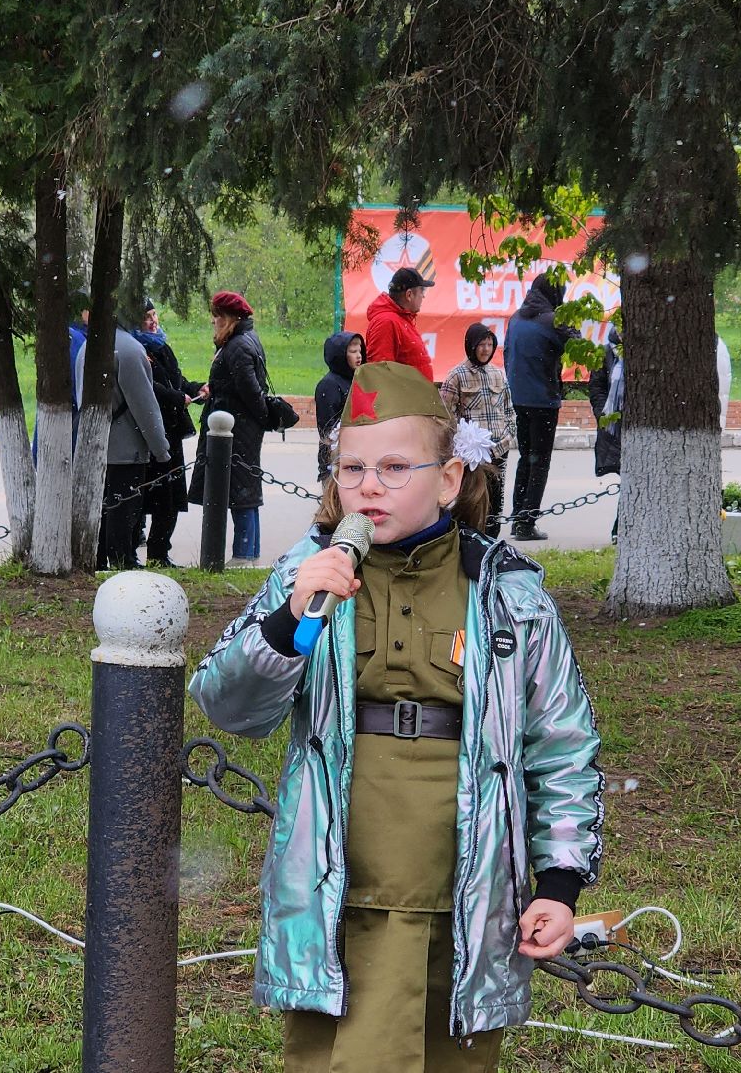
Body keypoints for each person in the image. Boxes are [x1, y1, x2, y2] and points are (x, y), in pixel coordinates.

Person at [189, 361, 604, 1071]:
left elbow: (561, 744)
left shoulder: (508, 594)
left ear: (448, 479)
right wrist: (290, 619)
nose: (369, 487)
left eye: (394, 467)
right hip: (340, 872)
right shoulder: (308, 572)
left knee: (456, 1054)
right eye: (352, 469)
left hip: (469, 875)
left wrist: (560, 883)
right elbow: (228, 705)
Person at [188, 291, 270, 565]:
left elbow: (251, 391)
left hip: (236, 430)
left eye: (217, 316)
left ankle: (243, 556)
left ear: (229, 318)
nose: (213, 321)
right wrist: (217, 389)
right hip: (240, 426)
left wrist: (257, 416)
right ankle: (249, 553)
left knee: (240, 493)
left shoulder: (237, 346)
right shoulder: (242, 341)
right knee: (245, 490)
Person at [97, 316, 171, 570]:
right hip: (127, 447)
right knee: (123, 508)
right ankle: (122, 561)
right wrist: (161, 449)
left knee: (102, 507)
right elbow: (144, 405)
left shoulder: (91, 345)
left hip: (96, 444)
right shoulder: (130, 350)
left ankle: (99, 559)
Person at [504, 273, 574, 541]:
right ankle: (527, 521)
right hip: (543, 399)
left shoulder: (516, 318)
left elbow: (507, 354)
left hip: (519, 397)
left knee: (526, 458)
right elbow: (576, 343)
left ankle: (516, 517)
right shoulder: (553, 320)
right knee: (540, 462)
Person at [137, 300, 201, 567]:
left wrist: (196, 389)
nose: (153, 321)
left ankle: (159, 552)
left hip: (171, 431)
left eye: (154, 315)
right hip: (150, 430)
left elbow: (176, 380)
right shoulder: (136, 349)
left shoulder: (161, 346)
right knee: (147, 496)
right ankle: (131, 551)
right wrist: (176, 397)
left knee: (170, 498)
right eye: (146, 317)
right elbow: (149, 387)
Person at [439, 322, 515, 539]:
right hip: (471, 455)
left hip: (498, 450)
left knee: (495, 501)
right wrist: (462, 444)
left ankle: (492, 539)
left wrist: (507, 438)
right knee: (473, 500)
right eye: (481, 344)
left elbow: (509, 410)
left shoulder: (497, 374)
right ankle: (470, 540)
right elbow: (445, 415)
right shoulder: (457, 375)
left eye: (490, 344)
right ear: (471, 346)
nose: (485, 349)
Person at [364, 266, 435, 377]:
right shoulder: (386, 322)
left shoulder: (400, 319)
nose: (423, 296)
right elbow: (380, 373)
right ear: (409, 295)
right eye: (422, 291)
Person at [313, 330, 364, 482]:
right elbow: (327, 430)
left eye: (360, 351)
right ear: (340, 355)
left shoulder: (359, 379)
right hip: (336, 459)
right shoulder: (329, 385)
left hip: (358, 453)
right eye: (353, 352)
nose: (359, 356)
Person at [589, 326, 625, 542]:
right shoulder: (605, 353)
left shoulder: (643, 351)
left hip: (637, 425)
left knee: (632, 479)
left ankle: (621, 528)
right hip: (613, 427)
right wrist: (604, 415)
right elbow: (597, 388)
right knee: (629, 478)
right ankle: (620, 530)